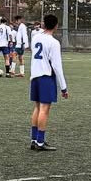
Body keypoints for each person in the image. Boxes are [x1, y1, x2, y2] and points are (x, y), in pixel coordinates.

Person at [28, 13, 68, 151]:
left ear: (44, 24)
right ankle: (40, 142)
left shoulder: (35, 37)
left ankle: (33, 140)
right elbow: (57, 66)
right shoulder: (54, 42)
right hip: (46, 77)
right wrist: (64, 87)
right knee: (44, 110)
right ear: (56, 26)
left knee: (37, 108)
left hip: (35, 76)